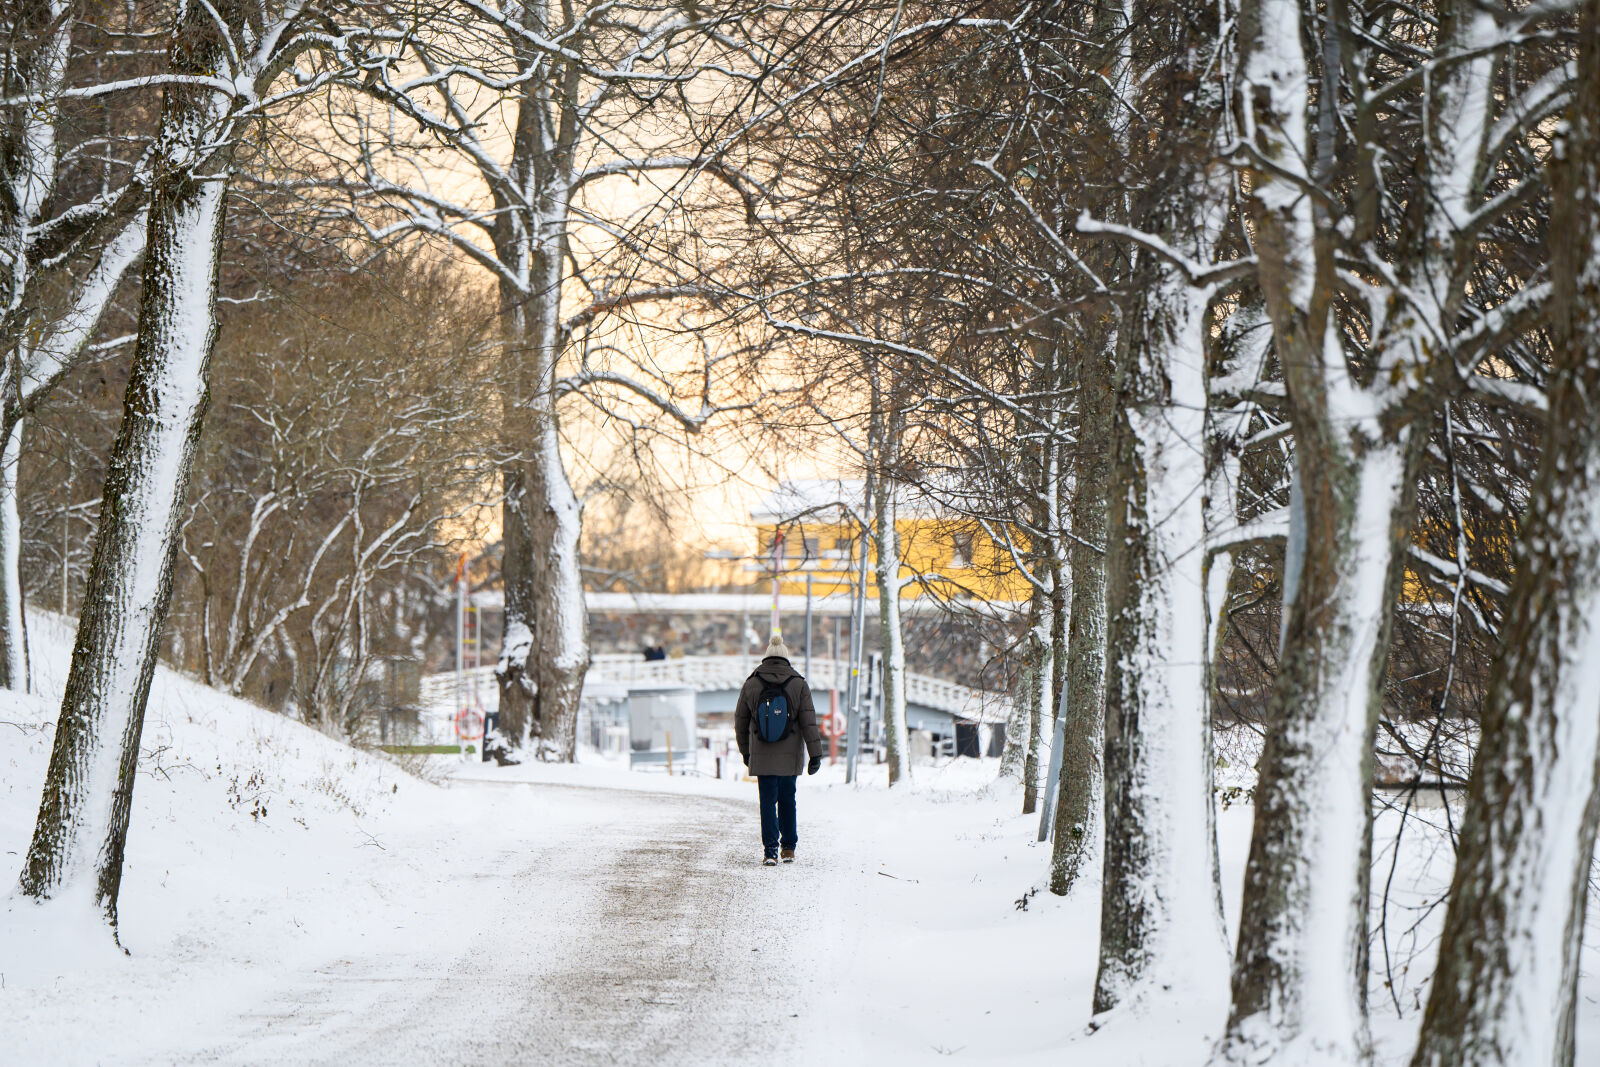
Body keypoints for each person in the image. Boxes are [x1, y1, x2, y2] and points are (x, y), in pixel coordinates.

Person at [735, 632, 824, 866]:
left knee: (767, 802)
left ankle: (770, 851)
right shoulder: (798, 683)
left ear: (766, 658)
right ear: (786, 658)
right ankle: (788, 848)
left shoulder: (752, 683)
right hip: (790, 755)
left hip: (762, 756)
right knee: (787, 800)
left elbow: (740, 721)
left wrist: (746, 752)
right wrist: (815, 755)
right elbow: (809, 721)